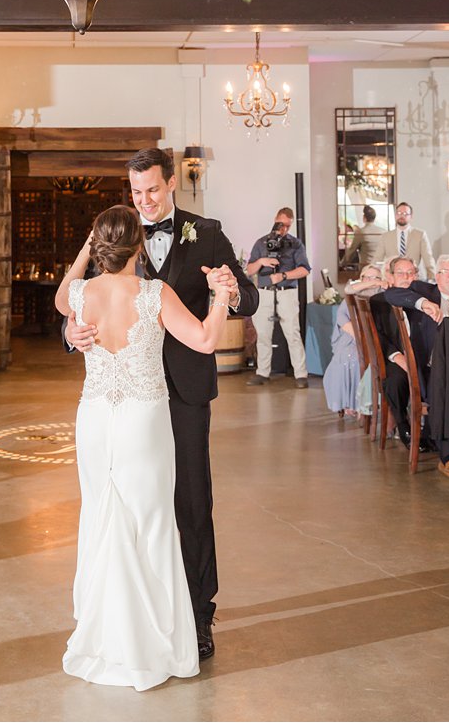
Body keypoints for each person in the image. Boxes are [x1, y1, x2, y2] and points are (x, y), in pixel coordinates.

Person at [65, 147, 257, 662]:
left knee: (191, 503)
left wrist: (227, 290)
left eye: (152, 189)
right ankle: (137, 615)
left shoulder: (207, 233)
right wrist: (72, 333)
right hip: (128, 399)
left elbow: (250, 297)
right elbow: (82, 303)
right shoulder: (120, 232)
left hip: (184, 392)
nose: (145, 201)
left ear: (173, 183)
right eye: (136, 192)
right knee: (128, 505)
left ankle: (197, 615)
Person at [384, 254, 449, 478]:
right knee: (442, 386)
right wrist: (424, 304)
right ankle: (447, 455)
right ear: (437, 277)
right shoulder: (425, 292)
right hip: (431, 368)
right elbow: (391, 293)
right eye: (446, 271)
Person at [244, 207, 312, 388]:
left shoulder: (295, 244)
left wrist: (283, 276)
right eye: (281, 224)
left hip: (286, 292)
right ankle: (262, 372)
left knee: (293, 334)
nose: (284, 229)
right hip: (264, 292)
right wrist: (261, 262)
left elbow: (305, 269)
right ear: (275, 220)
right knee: (263, 335)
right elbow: (249, 270)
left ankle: (300, 374)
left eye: (287, 226)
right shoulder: (260, 243)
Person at [373, 256, 429, 447]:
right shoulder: (378, 302)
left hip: (421, 358)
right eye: (400, 273)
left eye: (410, 273)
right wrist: (397, 357)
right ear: (390, 276)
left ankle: (431, 432)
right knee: (396, 380)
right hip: (394, 357)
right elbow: (377, 336)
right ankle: (403, 425)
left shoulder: (425, 303)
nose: (406, 277)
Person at [325, 263, 384, 416]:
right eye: (367, 277)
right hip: (351, 336)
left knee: (363, 358)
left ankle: (361, 403)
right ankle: (347, 402)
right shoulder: (352, 294)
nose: (371, 280)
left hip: (375, 339)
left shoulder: (382, 295)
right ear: (361, 279)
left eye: (375, 277)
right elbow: (342, 318)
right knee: (347, 357)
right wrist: (359, 337)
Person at [393, 202, 435, 281]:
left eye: (405, 213)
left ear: (411, 216)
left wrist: (432, 278)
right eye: (399, 213)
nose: (402, 215)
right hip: (393, 279)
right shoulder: (385, 236)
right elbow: (377, 259)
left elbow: (428, 258)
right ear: (395, 215)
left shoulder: (420, 234)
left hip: (415, 278)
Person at [341, 205, 387, 272]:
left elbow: (351, 251)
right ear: (374, 218)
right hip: (381, 269)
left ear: (364, 217)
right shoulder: (383, 231)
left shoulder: (361, 232)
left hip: (366, 269)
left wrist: (341, 264)